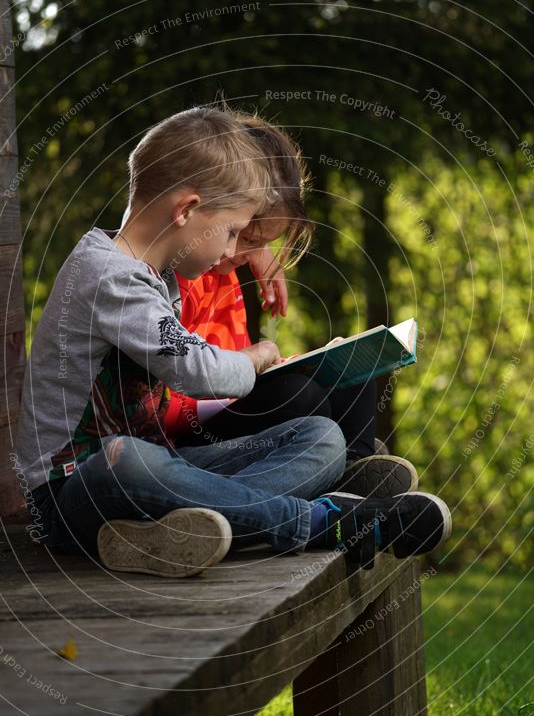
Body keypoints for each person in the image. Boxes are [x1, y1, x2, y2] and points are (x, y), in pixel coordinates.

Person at [16, 105, 451, 579]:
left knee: (320, 438)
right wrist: (257, 356)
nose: (232, 253)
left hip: (162, 474)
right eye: (231, 233)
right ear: (186, 209)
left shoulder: (160, 275)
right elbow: (195, 371)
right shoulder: (110, 279)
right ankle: (326, 520)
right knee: (127, 459)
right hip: (71, 493)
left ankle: (171, 532)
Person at [165, 116, 418, 498]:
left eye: (257, 241)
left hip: (222, 404)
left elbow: (230, 362)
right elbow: (178, 387)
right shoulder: (183, 269)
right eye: (243, 234)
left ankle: (352, 472)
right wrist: (255, 367)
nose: (240, 251)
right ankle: (328, 471)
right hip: (185, 435)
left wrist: (282, 364)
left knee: (356, 367)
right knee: (299, 394)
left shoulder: (223, 269)